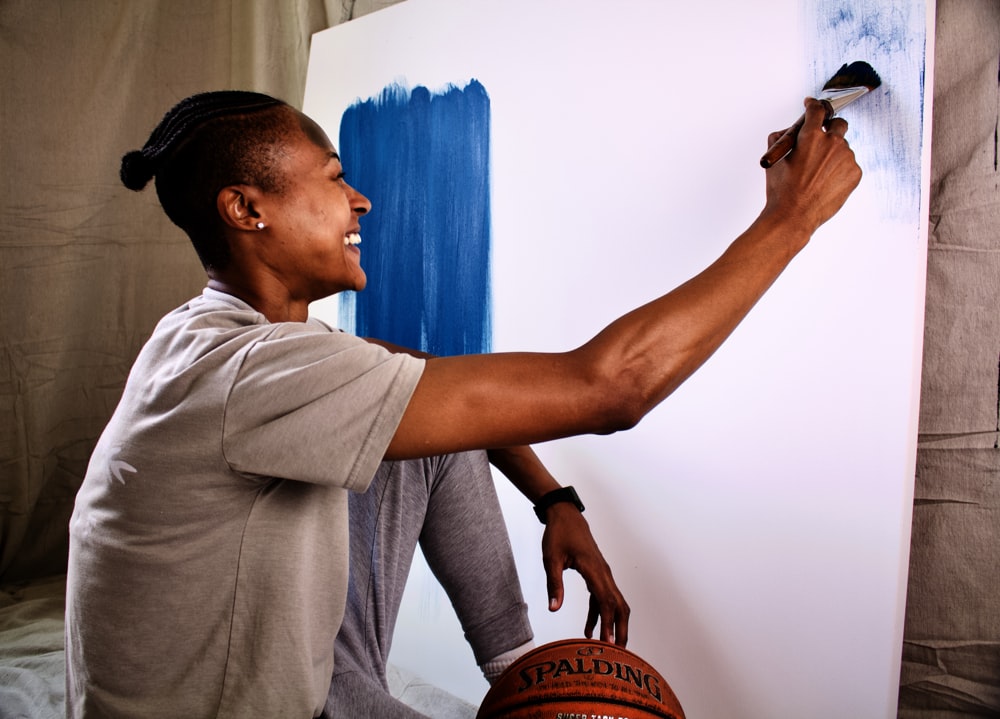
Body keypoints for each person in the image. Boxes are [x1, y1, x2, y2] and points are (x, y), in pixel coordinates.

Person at [65, 89, 860, 719]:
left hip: (299, 670)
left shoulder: (220, 339)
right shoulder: (243, 372)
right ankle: (535, 702)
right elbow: (615, 385)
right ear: (247, 210)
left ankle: (519, 680)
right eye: (337, 178)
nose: (362, 201)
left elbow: (420, 371)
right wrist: (790, 220)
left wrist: (554, 498)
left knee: (434, 424)